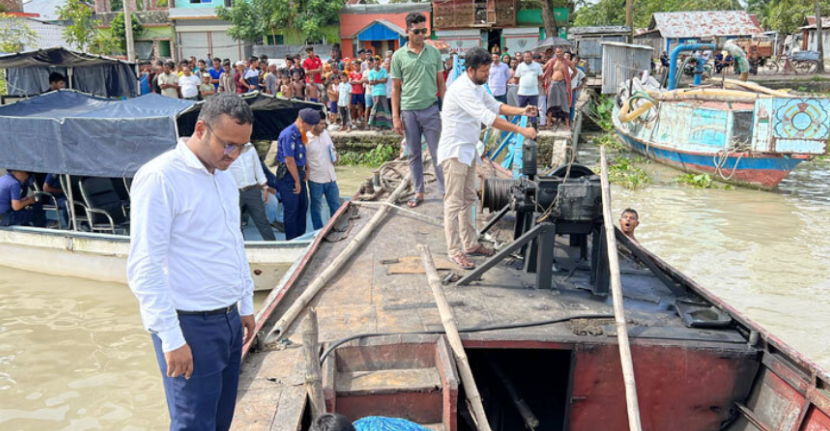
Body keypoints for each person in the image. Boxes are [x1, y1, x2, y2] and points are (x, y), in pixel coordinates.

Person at [127, 93, 257, 431]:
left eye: (242, 147)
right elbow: (145, 267)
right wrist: (171, 338)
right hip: (190, 324)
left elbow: (233, 244)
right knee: (193, 423)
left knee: (221, 419)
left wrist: (244, 303)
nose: (233, 155)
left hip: (228, 318)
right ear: (201, 129)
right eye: (228, 145)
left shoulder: (223, 177)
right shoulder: (161, 177)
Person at [437, 47, 537, 270]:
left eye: (488, 70)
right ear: (470, 70)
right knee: (453, 203)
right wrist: (521, 130)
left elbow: (495, 106)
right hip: (454, 152)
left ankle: (470, 244)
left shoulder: (477, 86)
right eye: (483, 71)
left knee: (468, 199)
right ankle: (454, 250)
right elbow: (489, 118)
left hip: (468, 151)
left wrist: (522, 111)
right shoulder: (462, 89)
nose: (487, 75)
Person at [391, 12, 446, 208]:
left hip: (431, 109)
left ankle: (445, 192)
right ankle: (418, 192)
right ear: (407, 31)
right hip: (409, 111)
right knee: (414, 154)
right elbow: (395, 88)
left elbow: (441, 83)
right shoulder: (398, 56)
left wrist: (446, 109)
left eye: (424, 31)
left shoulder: (434, 53)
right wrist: (395, 117)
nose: (421, 35)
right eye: (417, 31)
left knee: (438, 153)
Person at [274, 108, 318, 240]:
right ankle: (292, 240)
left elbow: (303, 152)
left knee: (302, 206)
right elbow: (289, 160)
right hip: (289, 175)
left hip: (299, 172)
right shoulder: (289, 134)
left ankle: (301, 236)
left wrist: (307, 168)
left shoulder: (301, 133)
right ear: (303, 122)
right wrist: (297, 181)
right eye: (310, 126)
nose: (311, 129)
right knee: (291, 209)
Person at [227, 142, 276, 241]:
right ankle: (241, 247)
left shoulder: (250, 148)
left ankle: (273, 245)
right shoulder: (226, 149)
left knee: (262, 221)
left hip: (252, 190)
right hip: (234, 192)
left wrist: (265, 187)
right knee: (236, 224)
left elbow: (257, 168)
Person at [306, 121, 341, 230]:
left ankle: (335, 228)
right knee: (316, 207)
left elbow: (332, 149)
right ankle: (318, 230)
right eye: (321, 124)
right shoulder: (305, 139)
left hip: (331, 177)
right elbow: (303, 161)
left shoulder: (325, 133)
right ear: (313, 125)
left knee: (336, 205)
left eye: (324, 123)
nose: (323, 126)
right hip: (315, 179)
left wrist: (335, 157)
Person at [544, 47, 573, 130]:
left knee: (565, 103)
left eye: (560, 52)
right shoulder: (552, 61)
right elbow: (543, 69)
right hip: (553, 83)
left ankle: (567, 124)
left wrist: (569, 79)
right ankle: (548, 123)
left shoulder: (567, 61)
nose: (559, 53)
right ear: (555, 53)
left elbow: (575, 71)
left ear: (562, 52)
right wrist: (548, 77)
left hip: (562, 83)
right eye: (557, 52)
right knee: (550, 102)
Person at [514, 51, 543, 126]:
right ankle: (521, 126)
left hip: (533, 92)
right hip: (522, 92)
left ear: (531, 57)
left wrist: (534, 82)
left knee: (533, 109)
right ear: (523, 58)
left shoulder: (537, 65)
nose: (527, 58)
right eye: (525, 57)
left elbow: (540, 76)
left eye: (528, 57)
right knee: (522, 109)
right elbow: (516, 77)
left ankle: (534, 126)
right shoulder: (520, 66)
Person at [367, 57, 392, 130]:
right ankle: (377, 125)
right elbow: (370, 82)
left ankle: (388, 125)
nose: (376, 65)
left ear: (380, 63)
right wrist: (380, 81)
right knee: (376, 109)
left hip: (383, 92)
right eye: (375, 63)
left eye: (378, 63)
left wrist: (377, 81)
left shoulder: (383, 70)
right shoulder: (371, 72)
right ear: (373, 63)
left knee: (385, 108)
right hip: (375, 93)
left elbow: (385, 80)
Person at [569, 55, 586, 122]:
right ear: (571, 60)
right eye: (575, 60)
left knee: (572, 106)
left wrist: (579, 87)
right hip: (565, 90)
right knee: (565, 106)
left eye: (577, 60)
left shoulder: (578, 70)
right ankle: (565, 120)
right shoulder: (566, 69)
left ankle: (570, 120)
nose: (576, 62)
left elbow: (584, 79)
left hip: (573, 90)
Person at [349, 60, 365, 127]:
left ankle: (359, 118)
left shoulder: (361, 74)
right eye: (355, 66)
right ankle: (353, 118)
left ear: (359, 66)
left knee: (360, 106)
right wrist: (357, 81)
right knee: (353, 106)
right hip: (353, 92)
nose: (356, 67)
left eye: (357, 66)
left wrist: (356, 81)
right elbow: (350, 81)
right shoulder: (352, 73)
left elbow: (361, 81)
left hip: (360, 92)